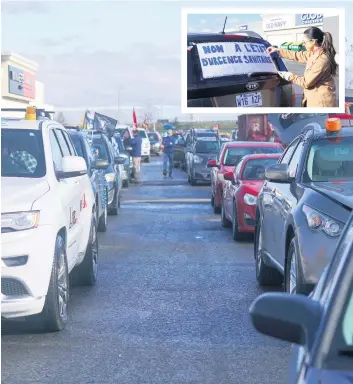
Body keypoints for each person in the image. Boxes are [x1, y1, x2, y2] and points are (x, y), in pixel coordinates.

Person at [266, 27, 337, 107]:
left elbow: (306, 83)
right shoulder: (313, 53)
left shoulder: (322, 59)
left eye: (304, 42)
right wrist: (278, 50)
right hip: (314, 97)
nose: (303, 44)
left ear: (313, 41)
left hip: (321, 102)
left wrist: (289, 76)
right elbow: (297, 55)